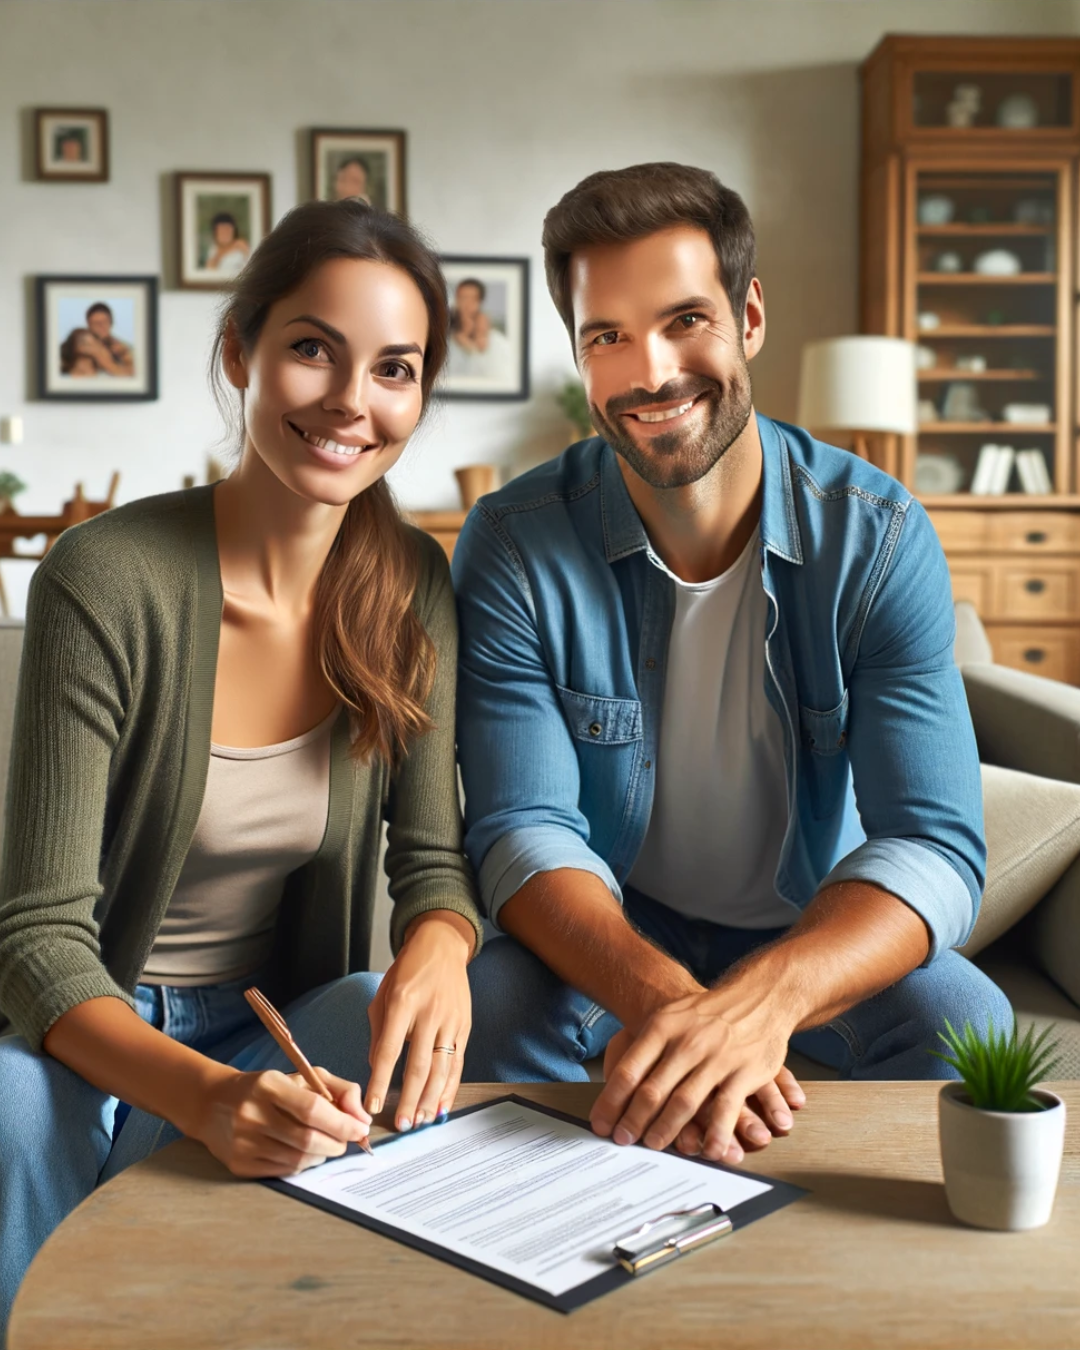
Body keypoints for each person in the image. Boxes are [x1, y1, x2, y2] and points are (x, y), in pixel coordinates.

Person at [0, 198, 535, 1334]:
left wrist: (444, 946)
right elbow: (38, 936)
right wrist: (206, 1098)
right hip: (86, 1024)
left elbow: (434, 860)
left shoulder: (412, 590)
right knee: (3, 1109)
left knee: (377, 1023)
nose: (352, 401)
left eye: (396, 368)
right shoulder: (105, 578)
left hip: (273, 1017)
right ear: (241, 350)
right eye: (311, 349)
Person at [454, 162, 1012, 1166]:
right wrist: (679, 1011)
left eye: (684, 321)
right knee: (489, 1009)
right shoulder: (511, 540)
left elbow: (933, 842)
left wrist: (764, 1005)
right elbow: (519, 828)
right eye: (607, 336)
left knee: (970, 1025)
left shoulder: (879, 537)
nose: (652, 369)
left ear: (749, 316)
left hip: (807, 922)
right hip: (615, 926)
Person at [446, 278, 513, 384]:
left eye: (472, 299)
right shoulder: (445, 340)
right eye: (463, 298)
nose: (466, 304)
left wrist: (473, 350)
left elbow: (501, 379)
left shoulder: (498, 341)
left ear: (480, 302)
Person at [81, 302, 135, 376]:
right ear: (88, 325)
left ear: (111, 323)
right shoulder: (80, 347)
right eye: (96, 323)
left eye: (104, 322)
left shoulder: (124, 348)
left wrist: (124, 355)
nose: (101, 326)